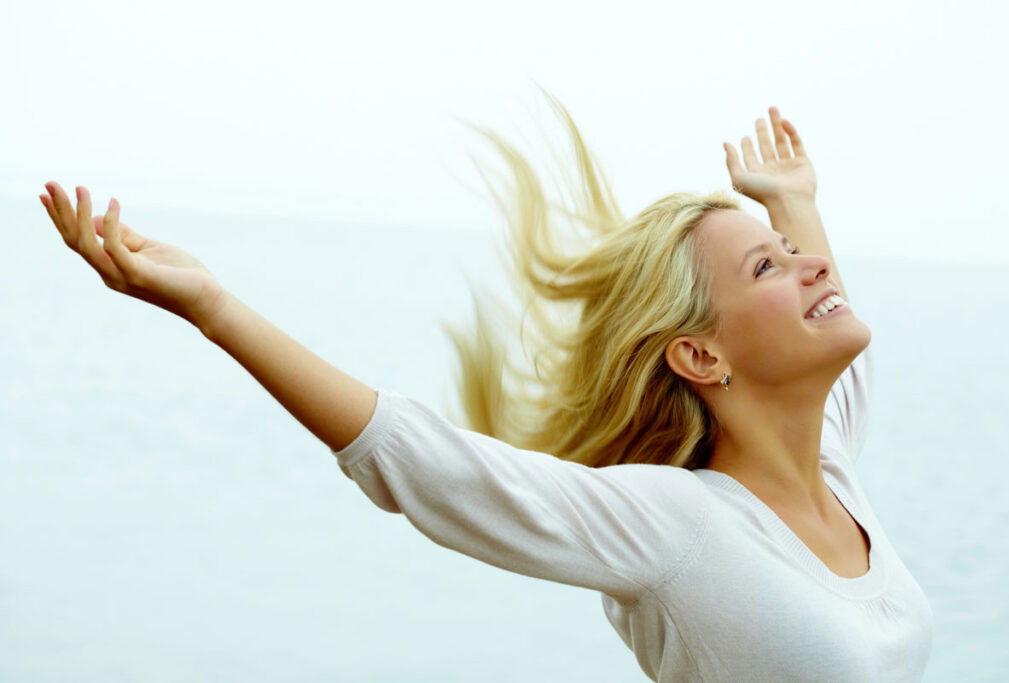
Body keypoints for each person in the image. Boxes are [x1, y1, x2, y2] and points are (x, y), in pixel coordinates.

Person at [39, 96, 934, 681]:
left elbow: (828, 300)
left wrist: (791, 203)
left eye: (797, 253)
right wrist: (215, 308)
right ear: (700, 357)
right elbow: (428, 464)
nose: (811, 262)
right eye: (768, 266)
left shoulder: (832, 462)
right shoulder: (679, 525)